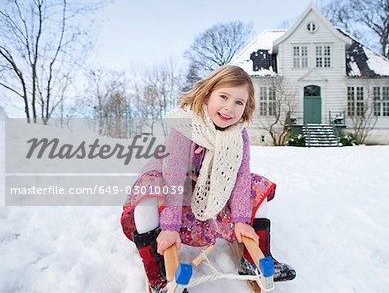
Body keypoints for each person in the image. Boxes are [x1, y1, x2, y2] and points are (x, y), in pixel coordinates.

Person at [120, 65, 296, 293]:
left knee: (255, 185)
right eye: (223, 96)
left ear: (246, 107)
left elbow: (240, 177)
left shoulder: (238, 134)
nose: (229, 108)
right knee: (148, 191)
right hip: (172, 185)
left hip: (208, 188)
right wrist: (170, 226)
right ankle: (157, 272)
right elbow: (173, 177)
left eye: (238, 102)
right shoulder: (186, 125)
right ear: (207, 94)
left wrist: (242, 219)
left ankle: (255, 261)